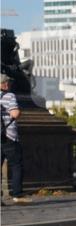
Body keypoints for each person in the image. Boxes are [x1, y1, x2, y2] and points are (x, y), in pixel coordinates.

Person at [0, 74, 28, 204]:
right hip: (8, 136)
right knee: (16, 165)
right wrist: (18, 112)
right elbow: (15, 113)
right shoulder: (9, 96)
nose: (8, 84)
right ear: (4, 84)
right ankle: (17, 194)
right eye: (6, 82)